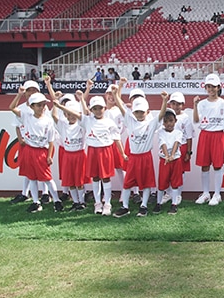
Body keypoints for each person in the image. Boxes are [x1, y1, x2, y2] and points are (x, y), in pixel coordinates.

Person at [69, 79, 126, 216]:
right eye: (95, 108)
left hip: (105, 151)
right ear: (91, 109)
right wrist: (80, 99)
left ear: (104, 108)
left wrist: (123, 153)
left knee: (106, 178)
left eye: (100, 108)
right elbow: (80, 113)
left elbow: (116, 139)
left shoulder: (109, 122)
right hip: (93, 151)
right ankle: (97, 203)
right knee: (95, 177)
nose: (98, 110)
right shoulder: (88, 120)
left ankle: (107, 203)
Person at [112, 87, 169, 218]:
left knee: (147, 183)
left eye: (142, 112)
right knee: (127, 183)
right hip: (133, 158)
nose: (139, 114)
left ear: (147, 111)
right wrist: (116, 95)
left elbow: (161, 114)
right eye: (136, 112)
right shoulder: (130, 121)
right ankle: (125, 206)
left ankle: (143, 206)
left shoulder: (151, 123)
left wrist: (165, 101)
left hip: (146, 157)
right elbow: (121, 107)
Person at [9, 90, 63, 213]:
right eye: (39, 105)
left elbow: (51, 140)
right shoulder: (26, 117)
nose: (42, 107)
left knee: (47, 178)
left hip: (41, 152)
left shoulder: (48, 121)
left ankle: (56, 201)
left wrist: (49, 156)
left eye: (43, 104)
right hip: (29, 150)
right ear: (32, 106)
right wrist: (19, 95)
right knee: (31, 178)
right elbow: (11, 107)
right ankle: (35, 202)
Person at [192, 73, 224, 206]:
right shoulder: (201, 104)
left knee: (218, 166)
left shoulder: (223, 103)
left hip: (218, 136)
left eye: (213, 87)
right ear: (205, 87)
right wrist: (194, 105)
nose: (210, 89)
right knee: (204, 165)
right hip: (205, 135)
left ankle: (217, 194)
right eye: (208, 86)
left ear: (218, 87)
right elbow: (196, 120)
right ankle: (206, 193)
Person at [50, 90, 88, 211]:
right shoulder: (63, 125)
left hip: (79, 155)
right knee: (70, 181)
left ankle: (82, 202)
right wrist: (55, 103)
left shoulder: (82, 125)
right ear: (65, 115)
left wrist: (81, 99)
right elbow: (54, 116)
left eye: (74, 114)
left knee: (80, 181)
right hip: (68, 156)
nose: (71, 116)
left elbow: (86, 113)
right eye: (68, 114)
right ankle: (75, 202)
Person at [9, 80, 46, 204]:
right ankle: (25, 193)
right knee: (27, 169)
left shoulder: (42, 107)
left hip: (40, 144)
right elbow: (17, 125)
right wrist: (20, 138)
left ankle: (45, 193)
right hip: (26, 143)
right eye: (29, 90)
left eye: (34, 90)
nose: (31, 93)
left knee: (43, 169)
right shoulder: (21, 108)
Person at [154, 108, 185, 214]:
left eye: (171, 121)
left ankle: (174, 204)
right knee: (162, 183)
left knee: (175, 183)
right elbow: (162, 143)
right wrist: (167, 156)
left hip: (175, 160)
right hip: (164, 160)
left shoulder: (178, 132)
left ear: (175, 121)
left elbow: (176, 143)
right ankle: (158, 203)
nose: (168, 124)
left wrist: (172, 156)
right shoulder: (161, 132)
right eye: (166, 121)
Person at [166, 92, 195, 205]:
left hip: (181, 147)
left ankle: (178, 194)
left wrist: (188, 152)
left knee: (180, 172)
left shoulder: (185, 118)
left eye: (178, 104)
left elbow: (189, 136)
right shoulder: (167, 116)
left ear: (182, 104)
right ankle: (169, 193)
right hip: (168, 148)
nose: (176, 106)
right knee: (168, 172)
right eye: (173, 103)